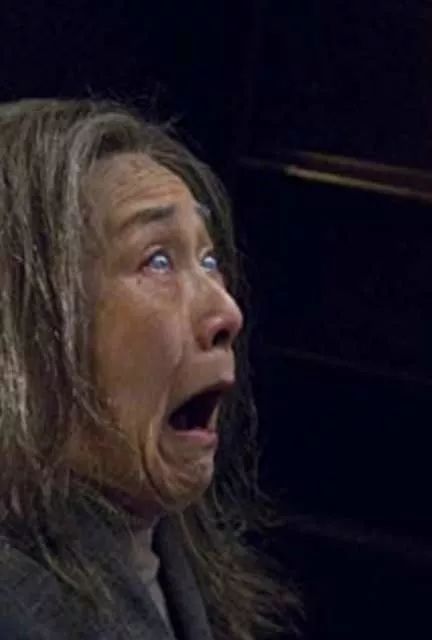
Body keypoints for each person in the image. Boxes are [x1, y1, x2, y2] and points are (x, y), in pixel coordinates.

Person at [0, 99, 298, 639]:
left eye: (209, 260)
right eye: (158, 261)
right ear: (22, 327)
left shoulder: (174, 566)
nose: (227, 312)